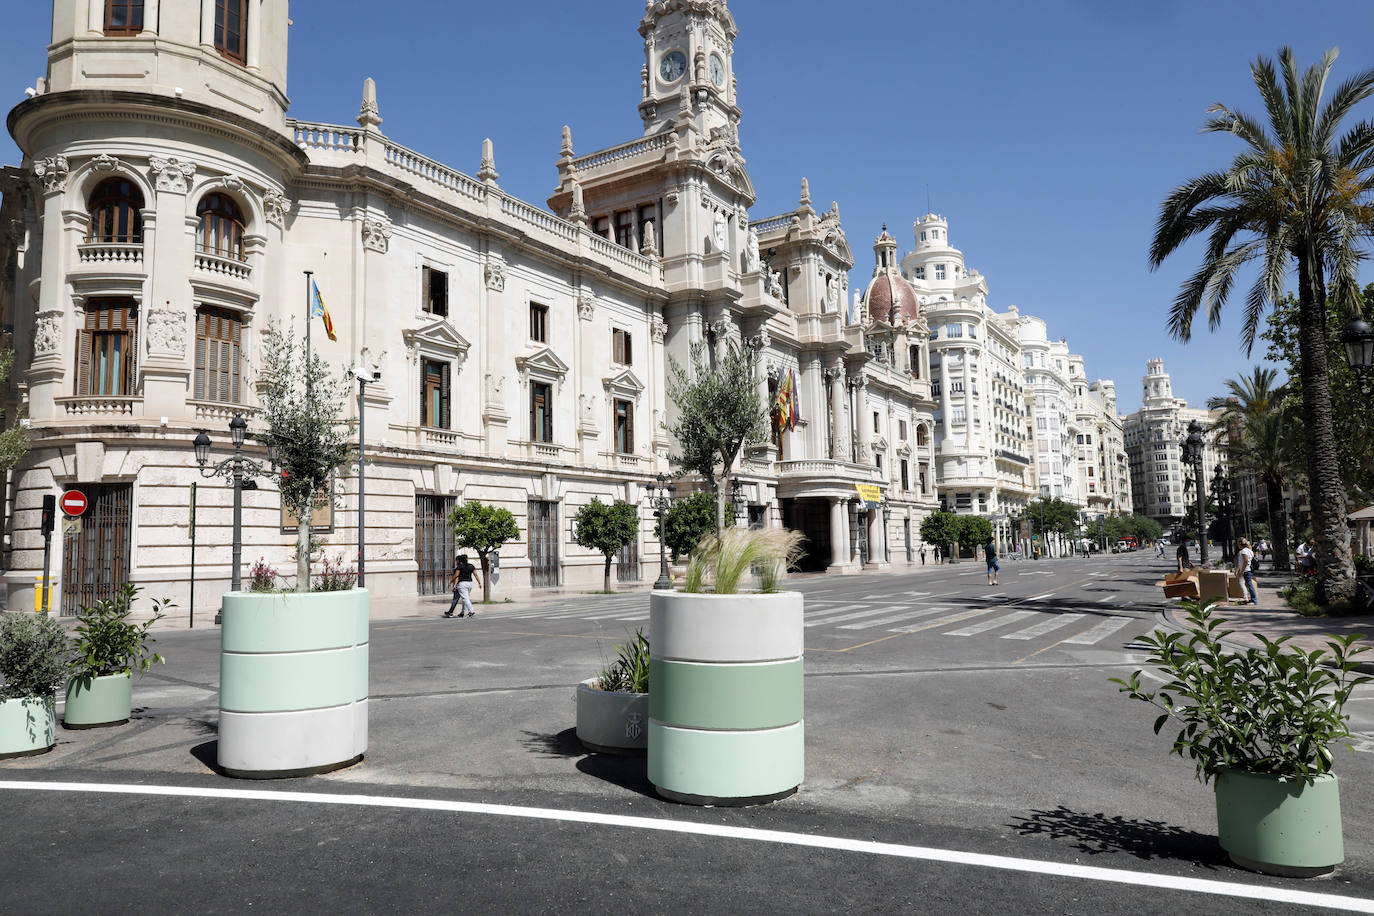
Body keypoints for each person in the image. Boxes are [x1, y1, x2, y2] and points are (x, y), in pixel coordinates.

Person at [444, 553, 482, 618]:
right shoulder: (471, 566)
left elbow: (456, 575)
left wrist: (451, 581)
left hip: (462, 584)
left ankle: (471, 610)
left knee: (465, 598)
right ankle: (462, 612)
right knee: (466, 598)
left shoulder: (460, 567)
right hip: (470, 583)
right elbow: (476, 575)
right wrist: (479, 583)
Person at [1236, 537, 1258, 605]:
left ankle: (1253, 600)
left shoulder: (1243, 551)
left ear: (1240, 543)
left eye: (1237, 543)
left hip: (1246, 570)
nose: (1237, 545)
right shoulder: (1249, 550)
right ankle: (1249, 599)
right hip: (1249, 570)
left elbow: (1245, 561)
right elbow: (1242, 562)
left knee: (1249, 585)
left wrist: (1241, 571)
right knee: (1248, 584)